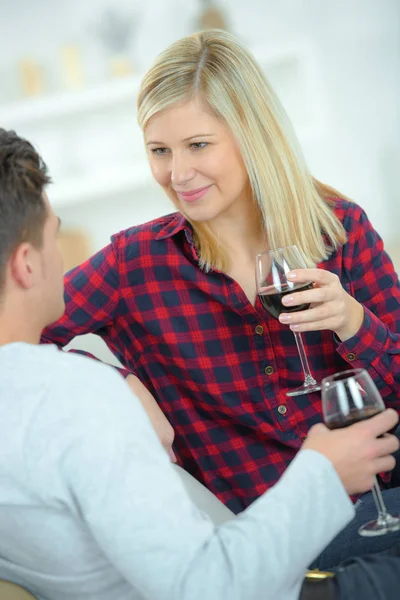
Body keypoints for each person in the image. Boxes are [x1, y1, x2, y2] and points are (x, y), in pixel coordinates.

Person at [41, 30, 400, 568]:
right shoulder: (133, 264)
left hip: (383, 502)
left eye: (198, 146)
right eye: (159, 151)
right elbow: (14, 343)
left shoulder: (340, 229)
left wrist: (354, 322)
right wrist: (115, 386)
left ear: (251, 136)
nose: (177, 174)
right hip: (278, 539)